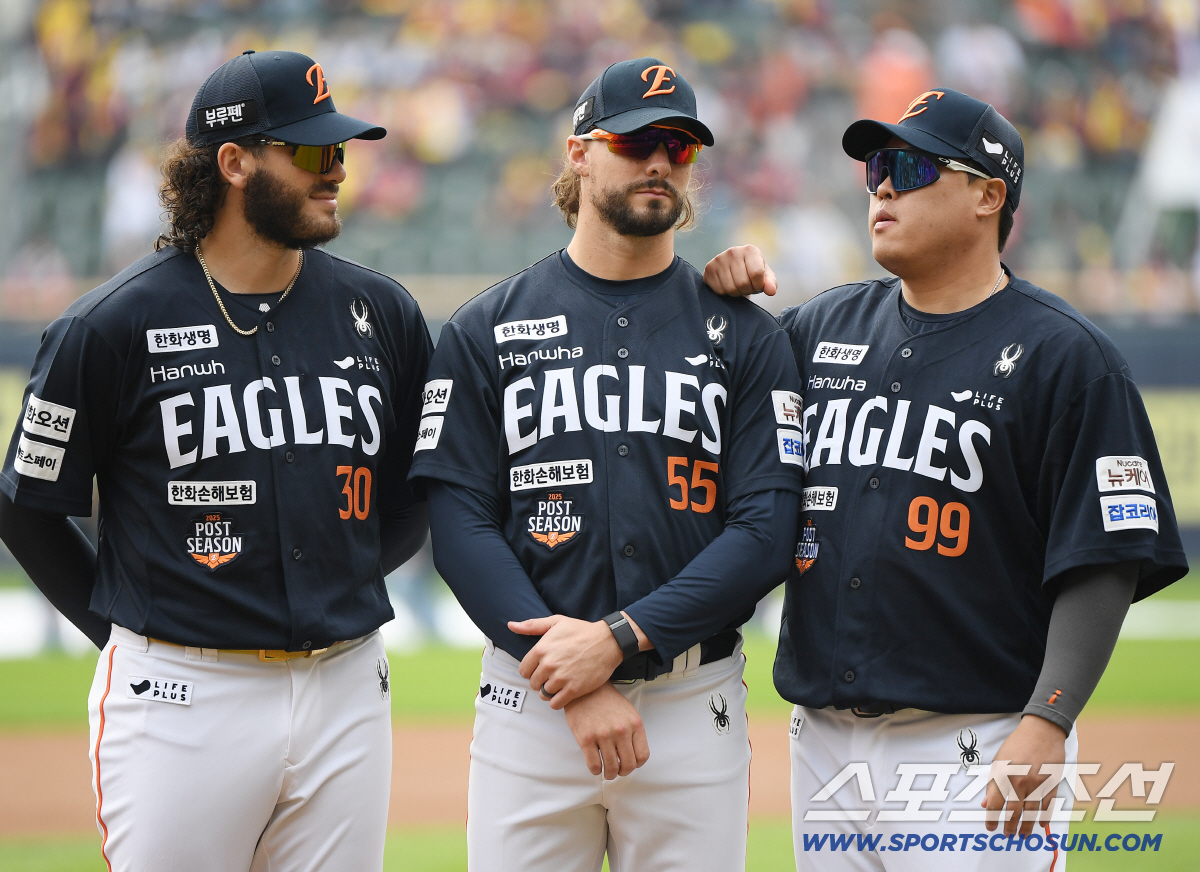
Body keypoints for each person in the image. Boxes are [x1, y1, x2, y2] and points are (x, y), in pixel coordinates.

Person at [703, 87, 1188, 870]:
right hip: (823, 741)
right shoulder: (819, 327)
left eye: (909, 168)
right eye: (875, 170)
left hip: (977, 743)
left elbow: (1106, 558)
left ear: (988, 196)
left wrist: (1049, 719)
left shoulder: (1068, 358)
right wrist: (720, 306)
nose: (882, 188)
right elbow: (699, 404)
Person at [0, 50, 432, 872]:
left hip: (347, 686)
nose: (336, 169)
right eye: (311, 150)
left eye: (341, 149)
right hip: (181, 695)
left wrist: (337, 580)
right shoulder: (110, 326)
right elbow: (25, 505)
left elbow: (421, 489)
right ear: (234, 162)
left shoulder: (381, 311)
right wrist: (121, 631)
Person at [408, 58, 805, 872]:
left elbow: (767, 531)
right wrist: (576, 679)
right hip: (533, 701)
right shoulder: (485, 327)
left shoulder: (747, 335)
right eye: (634, 142)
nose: (659, 161)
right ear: (580, 154)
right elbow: (458, 525)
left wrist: (619, 640)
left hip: (691, 701)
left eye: (679, 146)